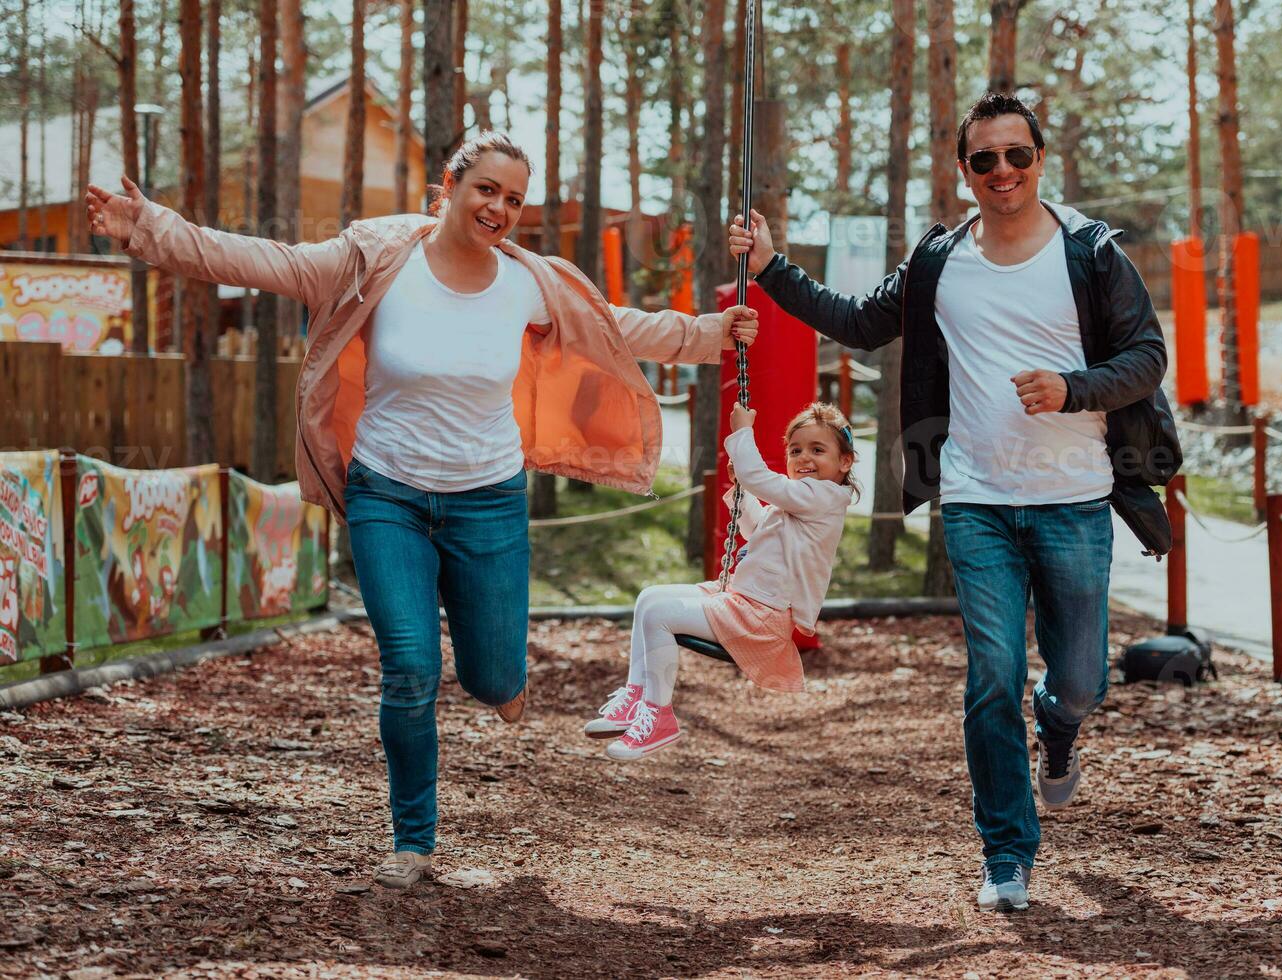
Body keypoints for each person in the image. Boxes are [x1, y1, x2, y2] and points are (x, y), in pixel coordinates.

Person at [87, 129, 760, 890]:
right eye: (486, 190)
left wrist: (710, 336)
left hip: (489, 503)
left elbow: (614, 326)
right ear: (449, 186)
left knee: (492, 674)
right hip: (388, 496)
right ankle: (413, 840)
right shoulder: (373, 263)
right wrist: (149, 227)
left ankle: (502, 684)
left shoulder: (528, 283)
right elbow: (258, 259)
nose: (499, 208)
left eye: (513, 198)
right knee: (408, 668)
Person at [730, 92, 1179, 913]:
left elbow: (1147, 356)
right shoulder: (941, 260)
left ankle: (1061, 729)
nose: (1001, 171)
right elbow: (860, 322)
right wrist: (769, 269)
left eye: (1016, 155)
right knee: (989, 678)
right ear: (964, 171)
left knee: (1077, 681)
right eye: (984, 159)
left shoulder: (1089, 252)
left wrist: (1074, 388)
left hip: (1073, 500)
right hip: (975, 500)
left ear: (1039, 160)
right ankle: (1007, 854)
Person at [583, 401, 857, 760]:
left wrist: (742, 433)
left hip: (760, 615)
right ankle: (637, 696)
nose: (804, 458)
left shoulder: (822, 497)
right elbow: (756, 530)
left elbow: (760, 477)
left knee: (658, 616)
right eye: (796, 450)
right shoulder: (799, 502)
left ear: (845, 462)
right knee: (649, 598)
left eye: (817, 450)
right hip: (742, 599)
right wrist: (741, 494)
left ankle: (659, 716)